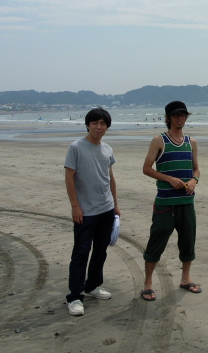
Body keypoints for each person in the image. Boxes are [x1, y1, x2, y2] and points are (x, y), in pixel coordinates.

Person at [140, 101, 201, 301]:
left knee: (188, 241)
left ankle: (185, 278)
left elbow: (196, 169)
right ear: (168, 118)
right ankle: (148, 283)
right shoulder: (159, 140)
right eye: (176, 115)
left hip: (186, 203)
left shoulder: (191, 142)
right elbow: (147, 168)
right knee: (156, 242)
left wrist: (194, 180)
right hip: (165, 204)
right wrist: (168, 179)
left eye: (182, 115)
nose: (180, 118)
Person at [64, 107, 121, 316]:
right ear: (88, 125)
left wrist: (115, 204)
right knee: (80, 253)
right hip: (85, 211)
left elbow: (110, 177)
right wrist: (75, 206)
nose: (99, 127)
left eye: (103, 124)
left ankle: (93, 286)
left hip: (106, 209)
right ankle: (75, 297)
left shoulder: (107, 149)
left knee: (100, 251)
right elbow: (69, 177)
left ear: (107, 127)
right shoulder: (76, 147)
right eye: (95, 123)